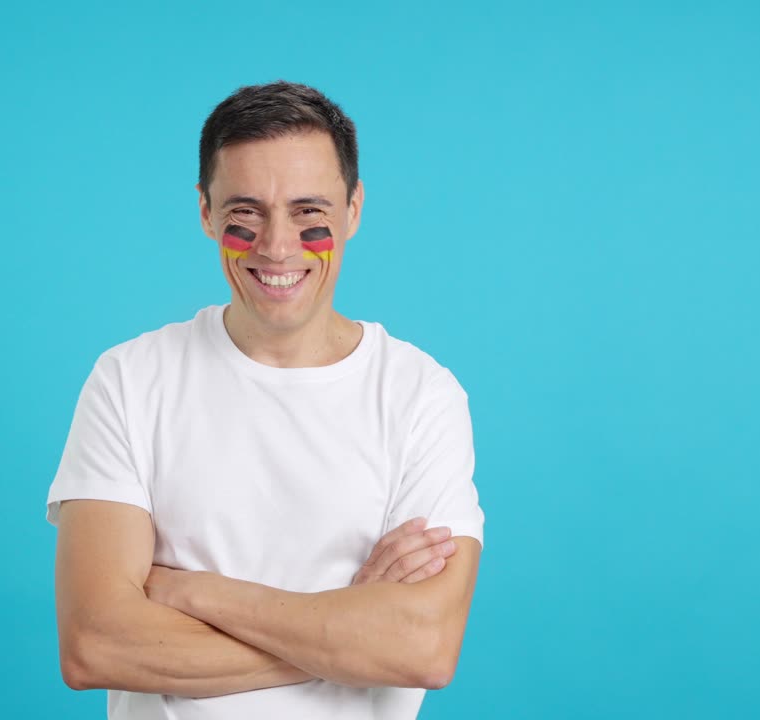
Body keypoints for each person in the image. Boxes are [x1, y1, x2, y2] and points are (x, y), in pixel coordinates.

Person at [44, 80, 485, 719]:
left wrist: (196, 595)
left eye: (310, 214)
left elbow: (424, 647)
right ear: (204, 211)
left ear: (354, 209)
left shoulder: (421, 395)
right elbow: (94, 644)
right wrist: (345, 631)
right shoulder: (130, 380)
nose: (277, 247)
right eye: (244, 215)